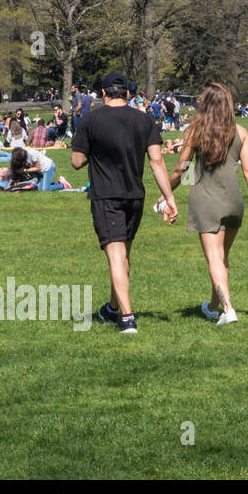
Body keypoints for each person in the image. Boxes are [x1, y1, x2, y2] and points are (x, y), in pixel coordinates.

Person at [70, 73, 178, 334]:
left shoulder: (91, 120)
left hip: (107, 196)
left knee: (116, 255)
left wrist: (91, 151)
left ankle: (127, 318)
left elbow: (76, 161)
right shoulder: (144, 119)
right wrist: (169, 197)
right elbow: (157, 161)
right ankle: (112, 308)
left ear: (104, 93)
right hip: (135, 196)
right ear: (127, 94)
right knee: (124, 253)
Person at [168, 83, 248, 326]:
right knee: (222, 257)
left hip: (207, 201)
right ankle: (213, 306)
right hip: (234, 201)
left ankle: (228, 309)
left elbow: (182, 169)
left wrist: (167, 193)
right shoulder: (241, 131)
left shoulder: (195, 131)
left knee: (213, 257)